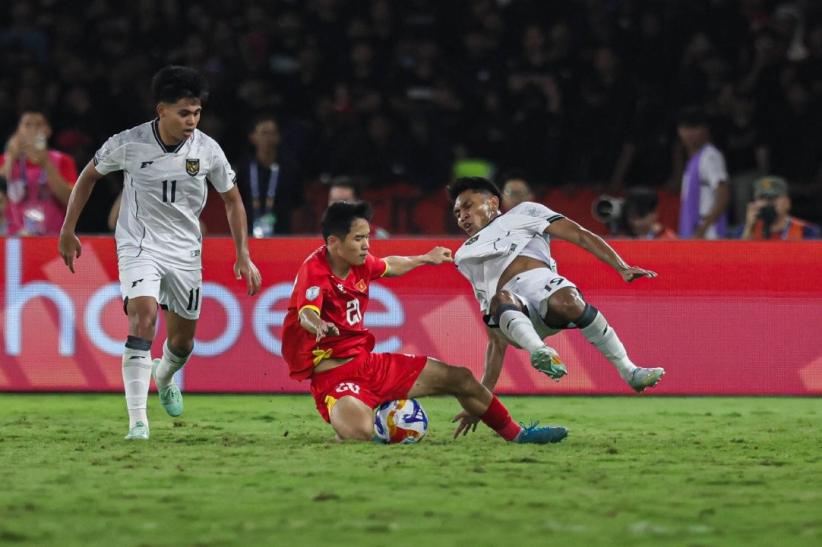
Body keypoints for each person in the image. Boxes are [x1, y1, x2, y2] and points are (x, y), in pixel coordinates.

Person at [58, 66, 262, 440]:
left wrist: (243, 254)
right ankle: (138, 422)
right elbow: (88, 176)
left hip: (185, 251)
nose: (192, 121)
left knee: (182, 342)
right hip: (139, 243)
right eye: (184, 113)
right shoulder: (129, 143)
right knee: (144, 316)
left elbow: (233, 202)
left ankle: (164, 373)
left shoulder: (207, 149)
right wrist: (68, 229)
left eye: (197, 113)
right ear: (162, 110)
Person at [281, 200, 567, 444]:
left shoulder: (359, 262)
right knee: (360, 433)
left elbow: (390, 265)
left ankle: (518, 435)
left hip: (370, 365)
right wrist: (316, 325)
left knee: (461, 378)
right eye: (359, 239)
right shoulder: (315, 271)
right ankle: (369, 419)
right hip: (335, 379)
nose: (367, 245)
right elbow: (307, 312)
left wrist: (426, 258)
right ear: (333, 242)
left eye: (367, 237)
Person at [447, 177, 665, 434]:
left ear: (493, 202)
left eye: (468, 206)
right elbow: (495, 337)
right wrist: (482, 399)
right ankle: (540, 352)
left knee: (568, 300)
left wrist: (621, 267)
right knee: (500, 299)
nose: (463, 216)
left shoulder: (527, 211)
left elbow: (580, 235)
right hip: (517, 314)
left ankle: (630, 372)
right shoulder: (464, 255)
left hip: (546, 292)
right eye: (458, 212)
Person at [0, 109, 77, 235]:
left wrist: (46, 164)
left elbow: (71, 201)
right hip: (11, 239)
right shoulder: (4, 160)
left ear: (48, 131)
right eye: (27, 124)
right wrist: (10, 159)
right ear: (18, 130)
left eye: (39, 124)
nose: (33, 129)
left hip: (52, 238)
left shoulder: (63, 160)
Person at [236, 114, 301, 236]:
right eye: (264, 133)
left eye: (272, 133)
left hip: (283, 234)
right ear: (252, 137)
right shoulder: (244, 169)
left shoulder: (289, 168)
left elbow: (297, 202)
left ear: (279, 137)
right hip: (249, 233)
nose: (268, 138)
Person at [676, 107, 730, 239]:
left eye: (694, 128)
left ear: (705, 130)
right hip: (693, 234)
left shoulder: (710, 156)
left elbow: (723, 194)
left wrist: (702, 229)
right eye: (685, 128)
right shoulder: (693, 160)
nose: (689, 133)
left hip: (708, 236)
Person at [740, 176, 820, 240]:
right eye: (763, 198)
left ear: (787, 203)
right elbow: (738, 258)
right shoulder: (745, 230)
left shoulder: (806, 231)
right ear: (754, 203)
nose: (768, 202)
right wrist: (748, 229)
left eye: (773, 197)